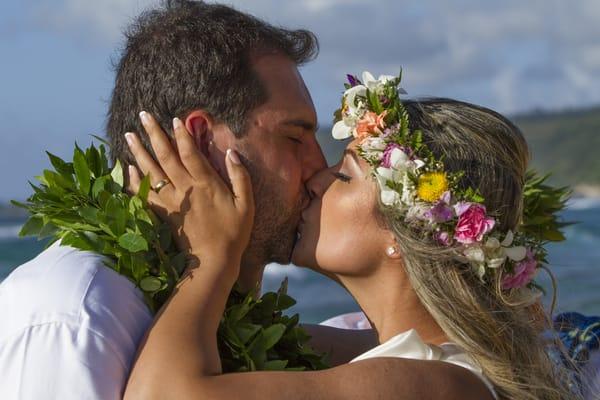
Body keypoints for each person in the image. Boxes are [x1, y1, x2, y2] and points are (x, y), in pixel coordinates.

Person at [122, 90, 581, 399]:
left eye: (344, 176)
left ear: (405, 235)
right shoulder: (372, 350)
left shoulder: (432, 384)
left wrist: (212, 257)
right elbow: (224, 343)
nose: (318, 178)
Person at [0, 1, 347, 398]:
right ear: (199, 141)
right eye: (293, 137)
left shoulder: (228, 306)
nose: (320, 167)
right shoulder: (74, 311)